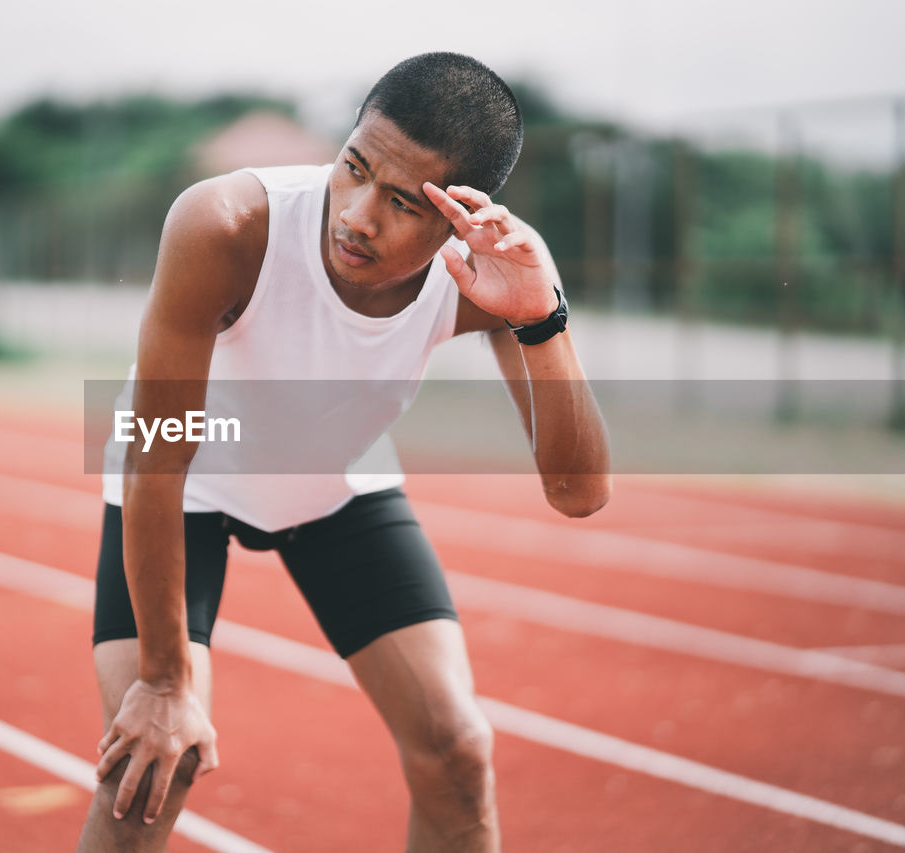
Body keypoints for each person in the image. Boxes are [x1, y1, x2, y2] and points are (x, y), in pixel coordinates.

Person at [76, 52, 611, 853]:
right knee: (155, 764)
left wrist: (538, 319)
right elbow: (159, 454)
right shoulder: (227, 226)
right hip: (189, 476)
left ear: (462, 212)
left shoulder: (489, 272)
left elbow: (578, 492)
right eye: (353, 166)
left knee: (458, 750)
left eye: (401, 202)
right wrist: (162, 683)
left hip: (333, 482)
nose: (358, 215)